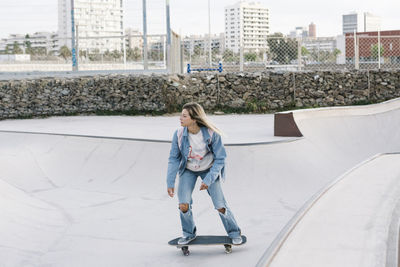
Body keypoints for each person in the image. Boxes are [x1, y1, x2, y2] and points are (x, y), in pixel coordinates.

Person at [166, 102, 242, 245]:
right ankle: (189, 233)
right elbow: (173, 159)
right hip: (188, 170)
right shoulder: (179, 134)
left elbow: (220, 159)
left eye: (184, 116)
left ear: (194, 118)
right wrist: (170, 182)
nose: (180, 118)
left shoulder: (212, 134)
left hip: (209, 169)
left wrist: (208, 179)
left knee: (220, 205)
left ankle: (234, 232)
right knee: (183, 205)